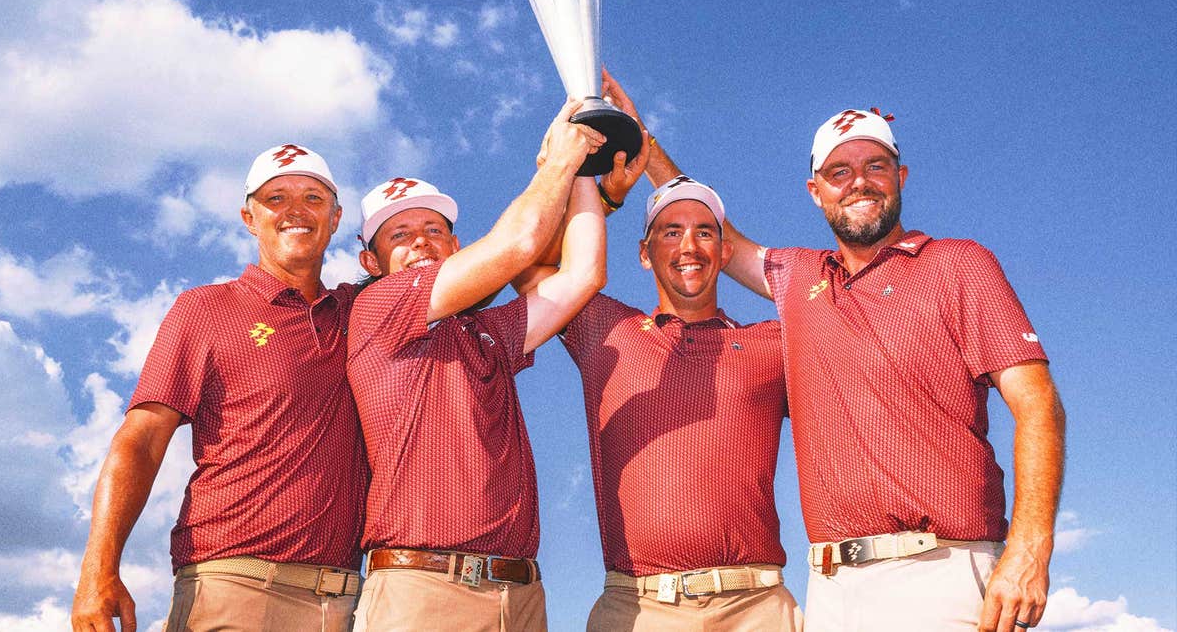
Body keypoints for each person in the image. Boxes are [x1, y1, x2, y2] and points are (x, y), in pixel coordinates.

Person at [606, 70, 1066, 632]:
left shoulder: (959, 265)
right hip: (830, 591)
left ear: (900, 176)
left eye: (876, 167)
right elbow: (710, 231)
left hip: (941, 572)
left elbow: (1038, 402)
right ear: (815, 190)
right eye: (839, 172)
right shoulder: (802, 281)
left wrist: (1029, 549)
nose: (859, 183)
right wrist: (642, 142)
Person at [71, 144, 369, 632]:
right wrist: (96, 571)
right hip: (234, 588)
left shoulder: (364, 313)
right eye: (276, 198)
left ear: (335, 219)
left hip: (347, 602)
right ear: (249, 218)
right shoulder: (206, 309)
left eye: (313, 198)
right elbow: (142, 440)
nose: (295, 210)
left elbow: (472, 271)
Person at [346, 99, 609, 631]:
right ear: (370, 263)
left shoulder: (484, 332)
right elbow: (518, 244)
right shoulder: (376, 307)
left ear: (455, 246)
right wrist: (557, 161)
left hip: (518, 593)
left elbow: (582, 275)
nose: (420, 239)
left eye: (434, 229)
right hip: (422, 590)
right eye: (398, 235)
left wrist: (584, 167)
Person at [535, 165, 802, 630]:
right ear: (643, 253)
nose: (688, 247)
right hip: (637, 608)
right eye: (670, 232)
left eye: (704, 232)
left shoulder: (773, 345)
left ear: (725, 252)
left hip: (754, 607)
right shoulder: (606, 329)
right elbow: (531, 262)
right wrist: (606, 198)